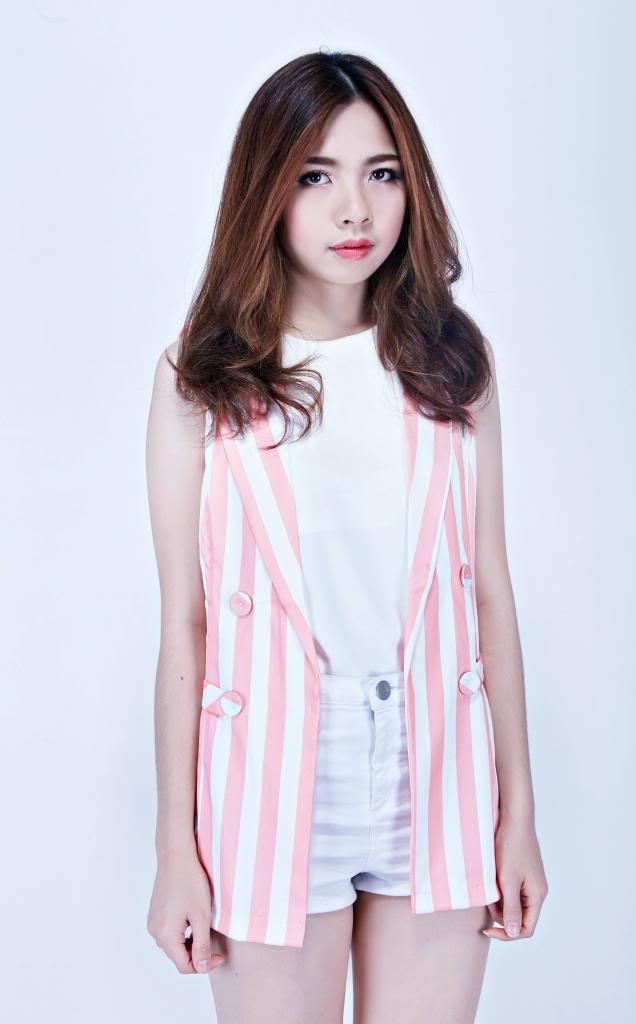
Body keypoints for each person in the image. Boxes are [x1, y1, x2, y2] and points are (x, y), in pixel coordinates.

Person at [145, 49, 548, 1024]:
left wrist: (518, 815)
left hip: (435, 769)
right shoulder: (199, 380)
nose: (354, 209)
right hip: (272, 773)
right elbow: (187, 622)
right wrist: (175, 850)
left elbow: (489, 593)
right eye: (315, 177)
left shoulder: (455, 364)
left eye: (382, 173)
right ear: (266, 191)